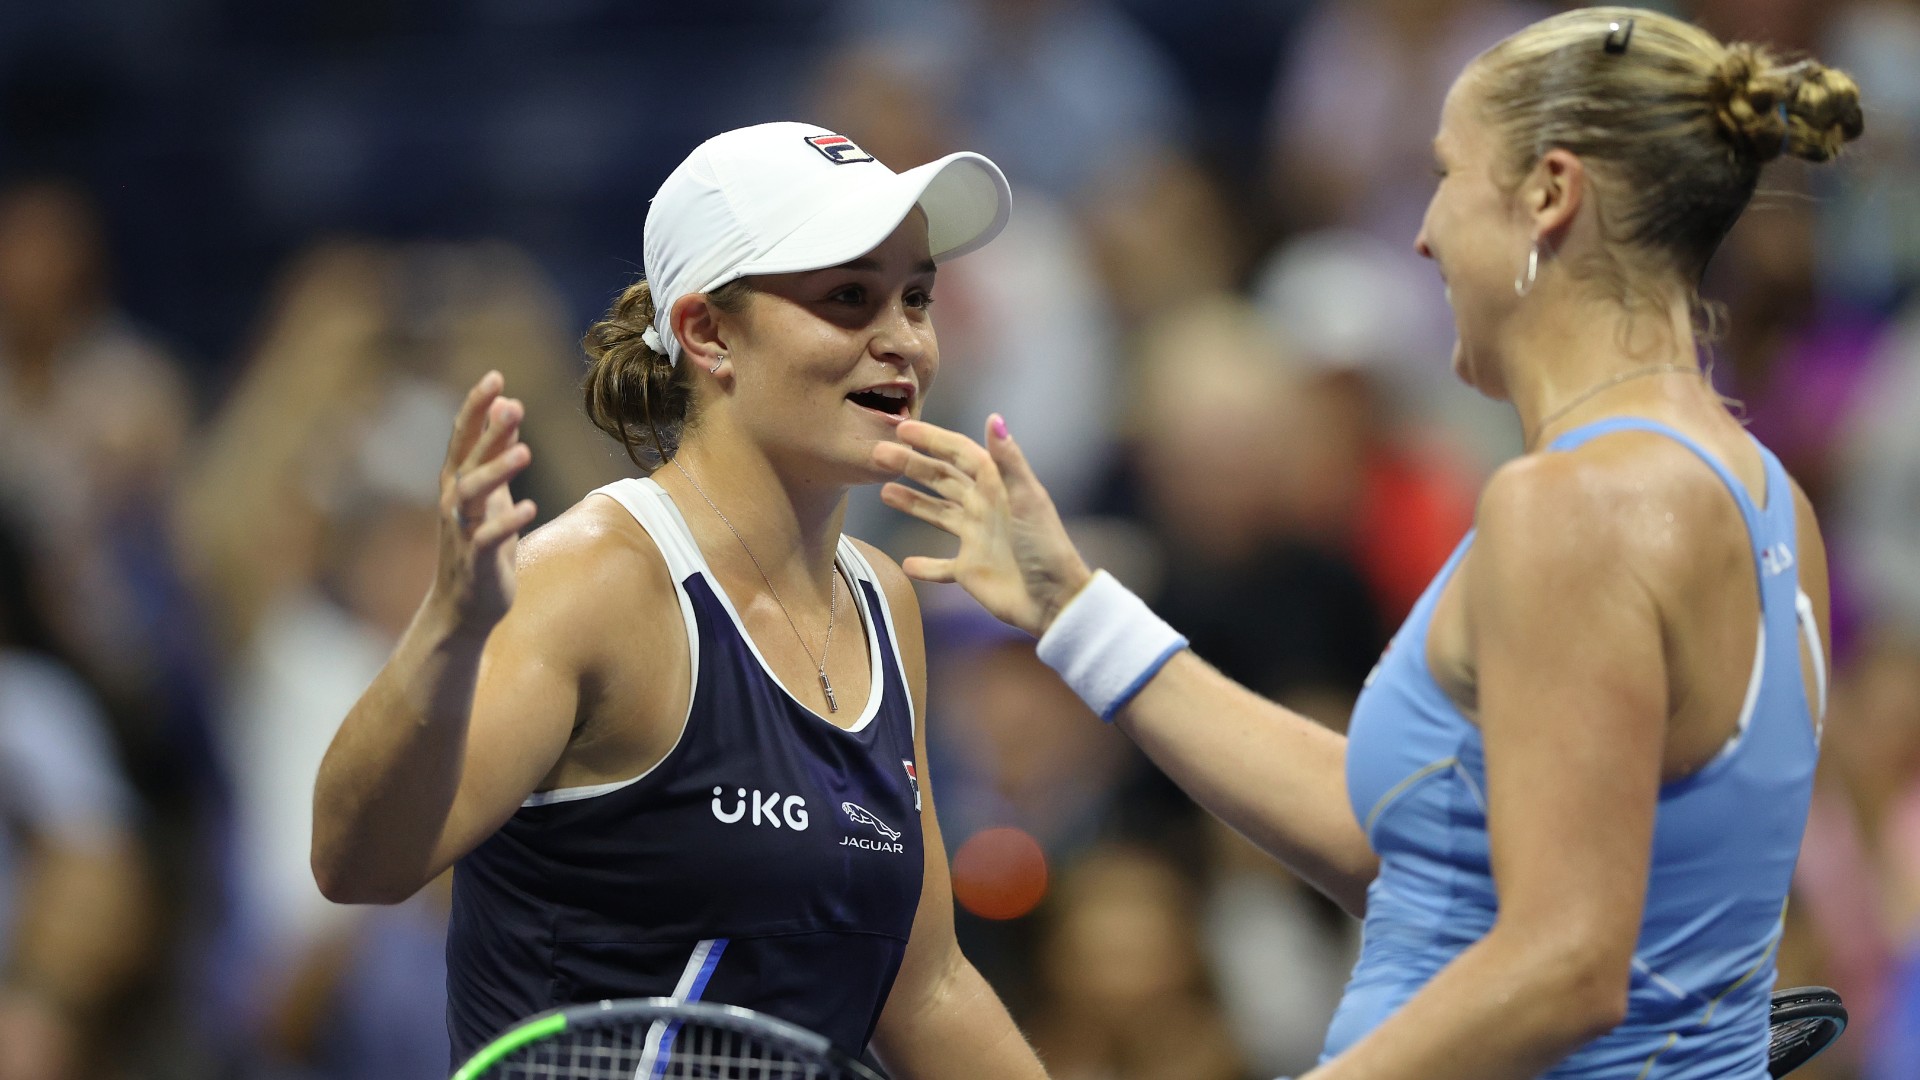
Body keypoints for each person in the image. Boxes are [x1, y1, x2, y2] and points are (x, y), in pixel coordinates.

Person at [873, 8, 1863, 1078]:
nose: (1424, 232)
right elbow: (1420, 859)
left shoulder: (1576, 507)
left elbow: (1569, 959)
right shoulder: (1763, 498)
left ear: (1549, 194)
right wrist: (1075, 609)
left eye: (1446, 174)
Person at [311, 121, 1048, 1078]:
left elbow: (928, 988)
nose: (902, 340)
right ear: (707, 333)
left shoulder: (884, 607)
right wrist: (446, 635)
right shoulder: (592, 581)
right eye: (848, 299)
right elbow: (354, 864)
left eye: (916, 299)